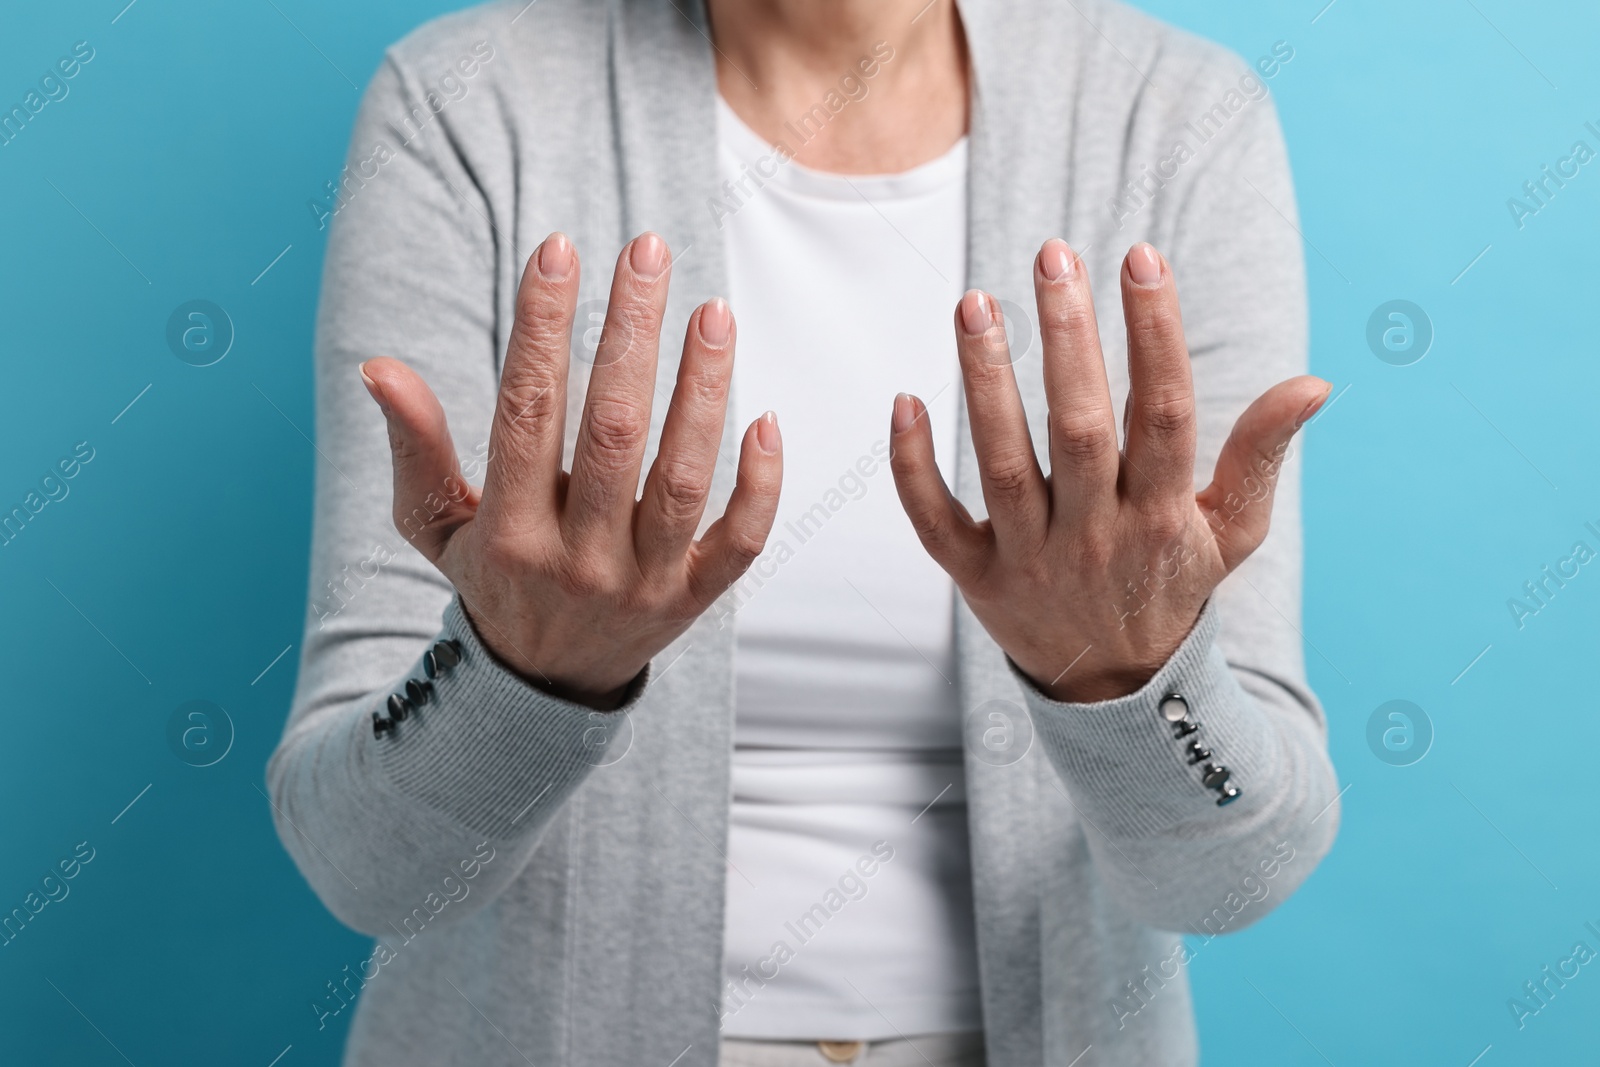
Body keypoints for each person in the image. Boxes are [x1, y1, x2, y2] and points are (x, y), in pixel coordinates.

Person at [267, 0, 1339, 1064]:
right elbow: (368, 867)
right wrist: (522, 680)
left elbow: (1230, 875)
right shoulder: (467, 103)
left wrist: (1126, 685)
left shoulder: (1178, 120)